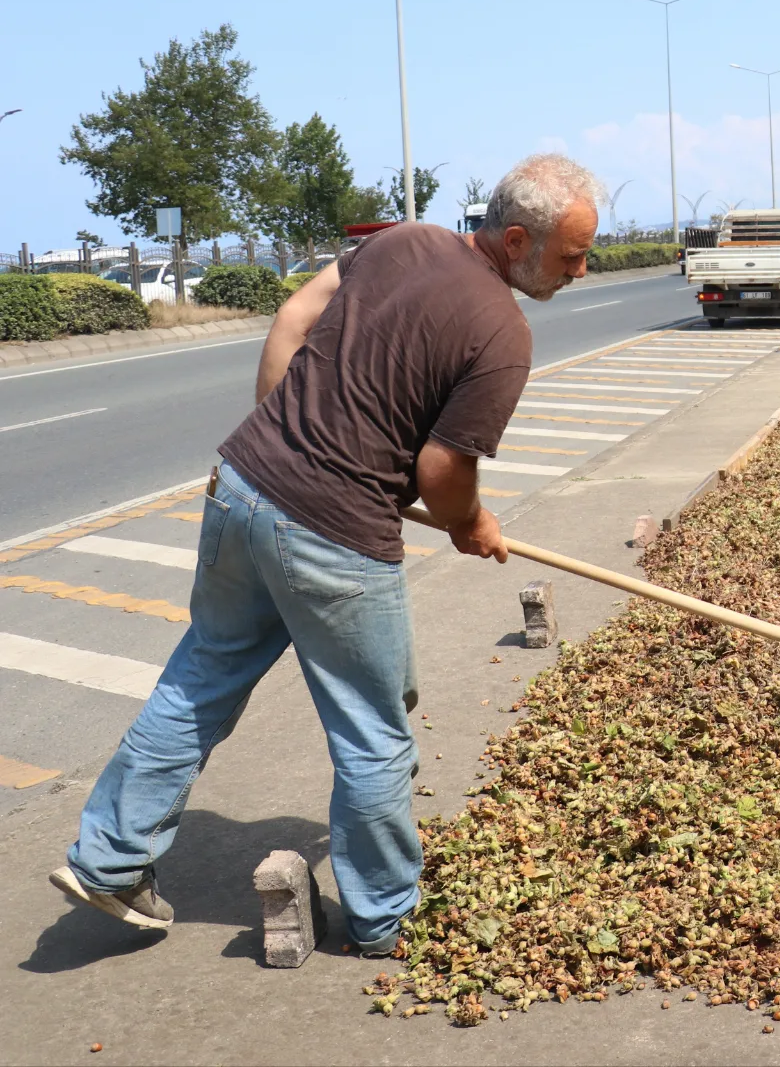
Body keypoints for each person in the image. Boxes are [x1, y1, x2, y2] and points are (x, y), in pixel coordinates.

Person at [49, 153, 605, 956]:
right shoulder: (503, 333)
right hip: (335, 537)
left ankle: (106, 862)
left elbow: (293, 317)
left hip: (239, 488)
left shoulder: (404, 238)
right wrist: (469, 523)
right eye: (571, 256)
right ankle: (384, 916)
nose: (581, 271)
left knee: (201, 677)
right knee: (373, 732)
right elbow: (442, 474)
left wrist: (285, 445)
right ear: (517, 239)